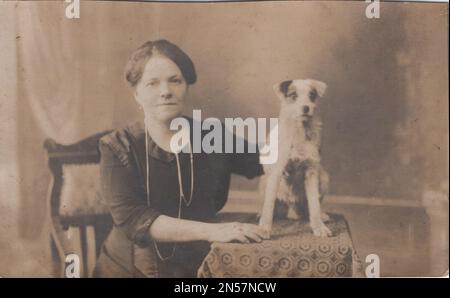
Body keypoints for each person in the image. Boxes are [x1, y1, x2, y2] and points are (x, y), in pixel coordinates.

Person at [93, 39, 268, 277]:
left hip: (197, 264)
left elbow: (264, 159)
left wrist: (299, 135)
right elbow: (135, 219)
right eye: (152, 83)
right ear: (137, 94)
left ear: (186, 86)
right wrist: (213, 231)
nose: (166, 91)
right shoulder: (117, 147)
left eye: (175, 81)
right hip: (131, 268)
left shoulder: (211, 136)